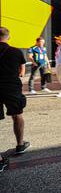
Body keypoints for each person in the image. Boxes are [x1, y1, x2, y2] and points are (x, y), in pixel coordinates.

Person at [0, 27, 31, 172]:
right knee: (17, 114)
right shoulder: (16, 51)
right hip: (11, 87)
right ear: (9, 37)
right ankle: (20, 144)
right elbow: (22, 72)